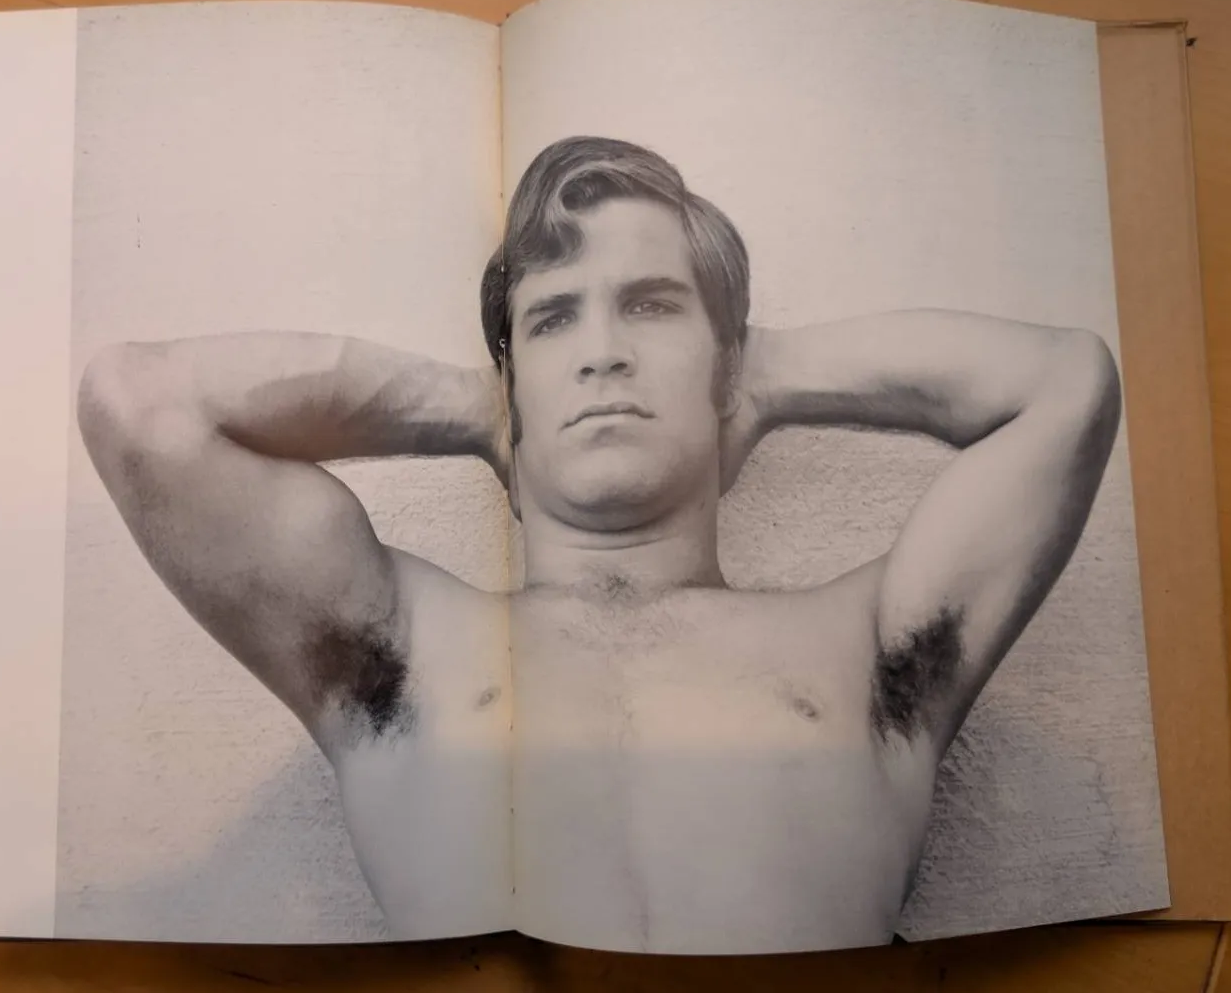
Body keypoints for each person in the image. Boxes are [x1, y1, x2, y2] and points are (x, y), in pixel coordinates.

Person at [75, 136, 1123, 952]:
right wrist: (481, 408)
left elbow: (1064, 385)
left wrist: (757, 375)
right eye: (552, 322)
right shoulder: (397, 651)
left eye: (651, 306)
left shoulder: (867, 646)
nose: (602, 354)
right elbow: (142, 403)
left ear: (724, 363)